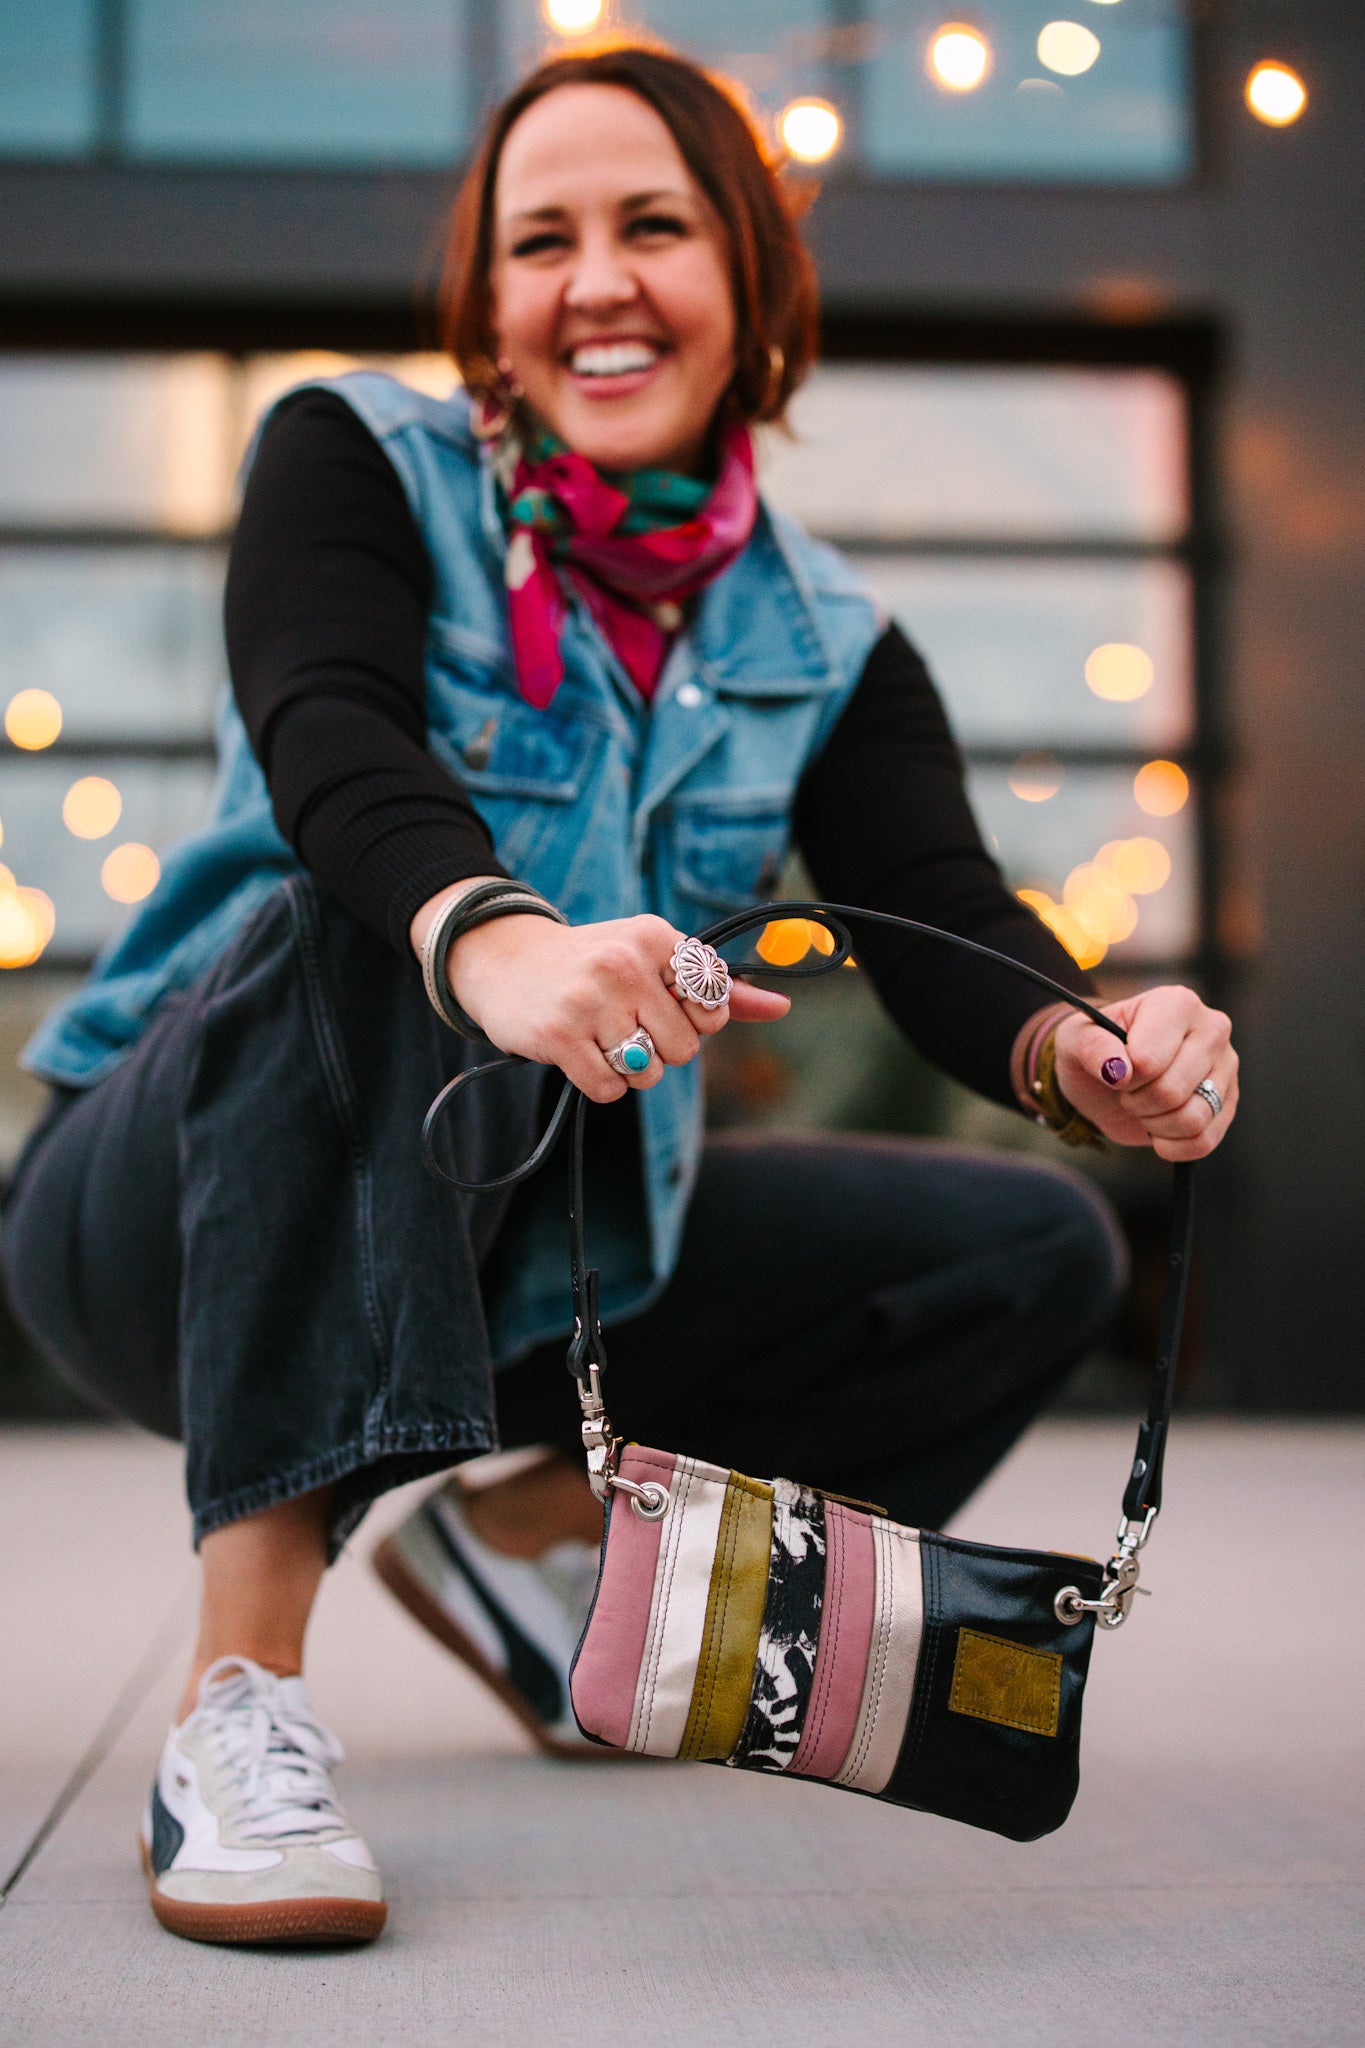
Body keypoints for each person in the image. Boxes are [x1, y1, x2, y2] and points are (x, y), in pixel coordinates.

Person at [0, 41, 1238, 1949]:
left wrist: (1090, 1049)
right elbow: (330, 735)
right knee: (386, 905)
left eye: (650, 227)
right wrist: (493, 937)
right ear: (487, 307)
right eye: (538, 241)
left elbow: (929, 908)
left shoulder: (823, 634)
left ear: (746, 278)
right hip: (162, 1211)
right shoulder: (354, 460)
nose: (593, 280)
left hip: (537, 1244)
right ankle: (234, 1705)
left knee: (1028, 1256)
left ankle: (539, 1565)